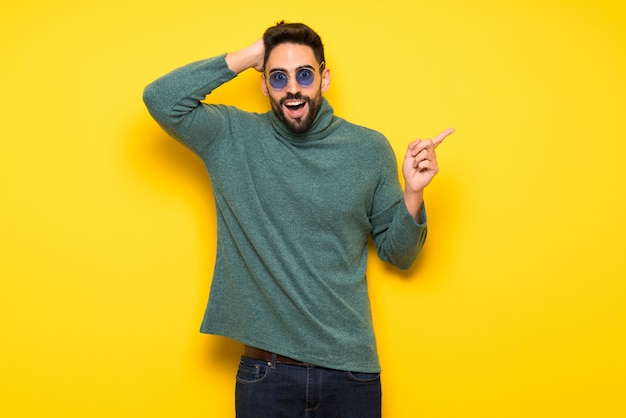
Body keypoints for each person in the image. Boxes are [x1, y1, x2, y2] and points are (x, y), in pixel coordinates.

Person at [143, 20, 453, 418]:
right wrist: (251, 55)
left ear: (324, 79)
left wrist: (413, 192)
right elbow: (161, 99)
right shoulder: (231, 136)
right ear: (263, 83)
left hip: (351, 373)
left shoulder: (368, 149)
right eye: (278, 76)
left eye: (304, 75)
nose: (293, 88)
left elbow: (400, 254)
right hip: (266, 374)